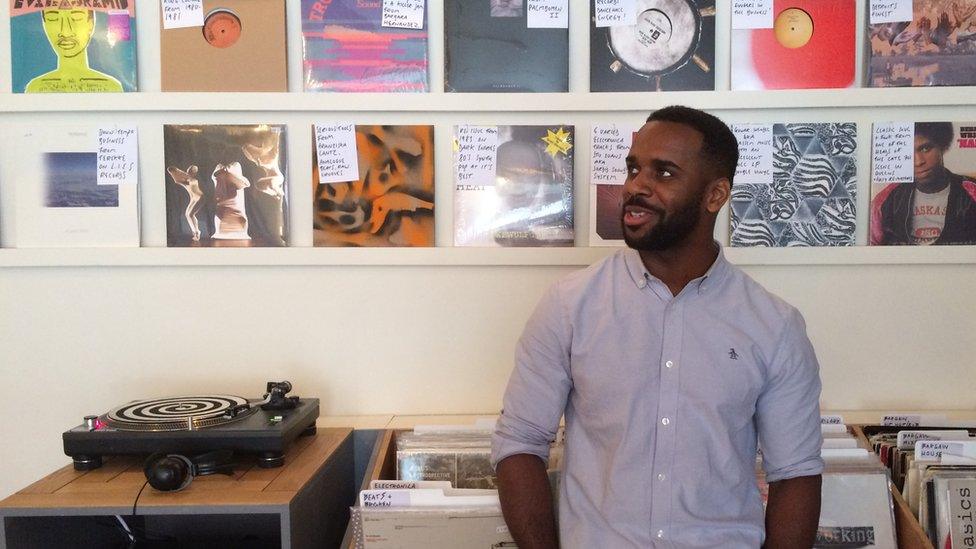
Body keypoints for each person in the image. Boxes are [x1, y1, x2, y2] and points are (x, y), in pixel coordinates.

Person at [492, 106, 824, 549]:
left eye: (664, 173)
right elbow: (519, 444)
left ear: (715, 195)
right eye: (634, 168)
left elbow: (796, 474)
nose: (636, 187)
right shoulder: (570, 306)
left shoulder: (774, 326)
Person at [870, 122, 976, 245]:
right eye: (908, 153)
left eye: (925, 149)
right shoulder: (886, 199)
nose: (918, 161)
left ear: (943, 146)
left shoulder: (971, 192)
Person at [26, 9, 123, 93]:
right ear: (44, 24)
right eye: (53, 18)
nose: (65, 32)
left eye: (77, 17)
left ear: (91, 23)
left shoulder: (111, 87)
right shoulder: (35, 88)